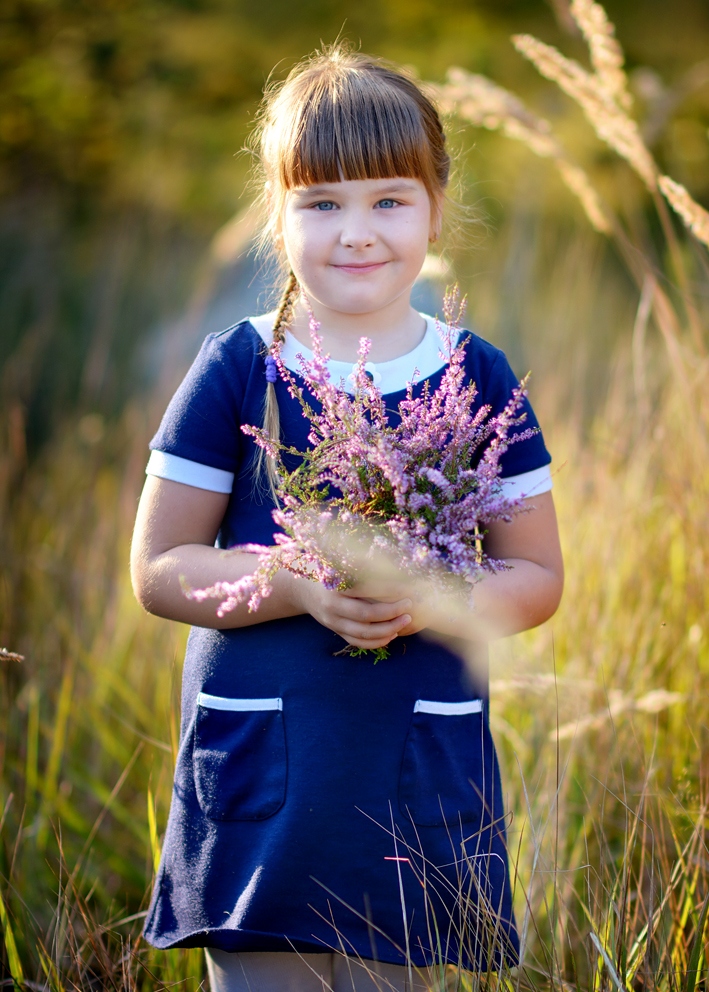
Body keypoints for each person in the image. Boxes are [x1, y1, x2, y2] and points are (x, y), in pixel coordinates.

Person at [130, 45, 564, 992]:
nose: (356, 232)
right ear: (276, 216)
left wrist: (422, 594)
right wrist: (296, 586)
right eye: (320, 203)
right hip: (262, 801)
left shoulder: (478, 378)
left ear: (436, 208)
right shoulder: (241, 368)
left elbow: (535, 579)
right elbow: (160, 569)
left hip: (410, 795)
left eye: (387, 200)